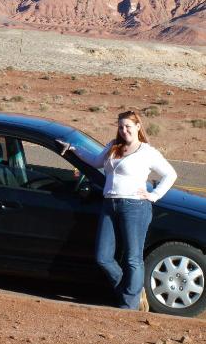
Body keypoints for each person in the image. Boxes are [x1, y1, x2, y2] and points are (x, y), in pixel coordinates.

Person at [57, 110, 177, 311]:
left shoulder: (147, 152)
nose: (124, 130)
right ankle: (132, 292)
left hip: (135, 207)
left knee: (132, 258)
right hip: (109, 204)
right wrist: (73, 149)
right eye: (121, 127)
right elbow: (95, 161)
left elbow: (170, 175)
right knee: (103, 257)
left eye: (128, 126)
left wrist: (153, 195)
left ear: (138, 127)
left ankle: (128, 306)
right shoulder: (114, 147)